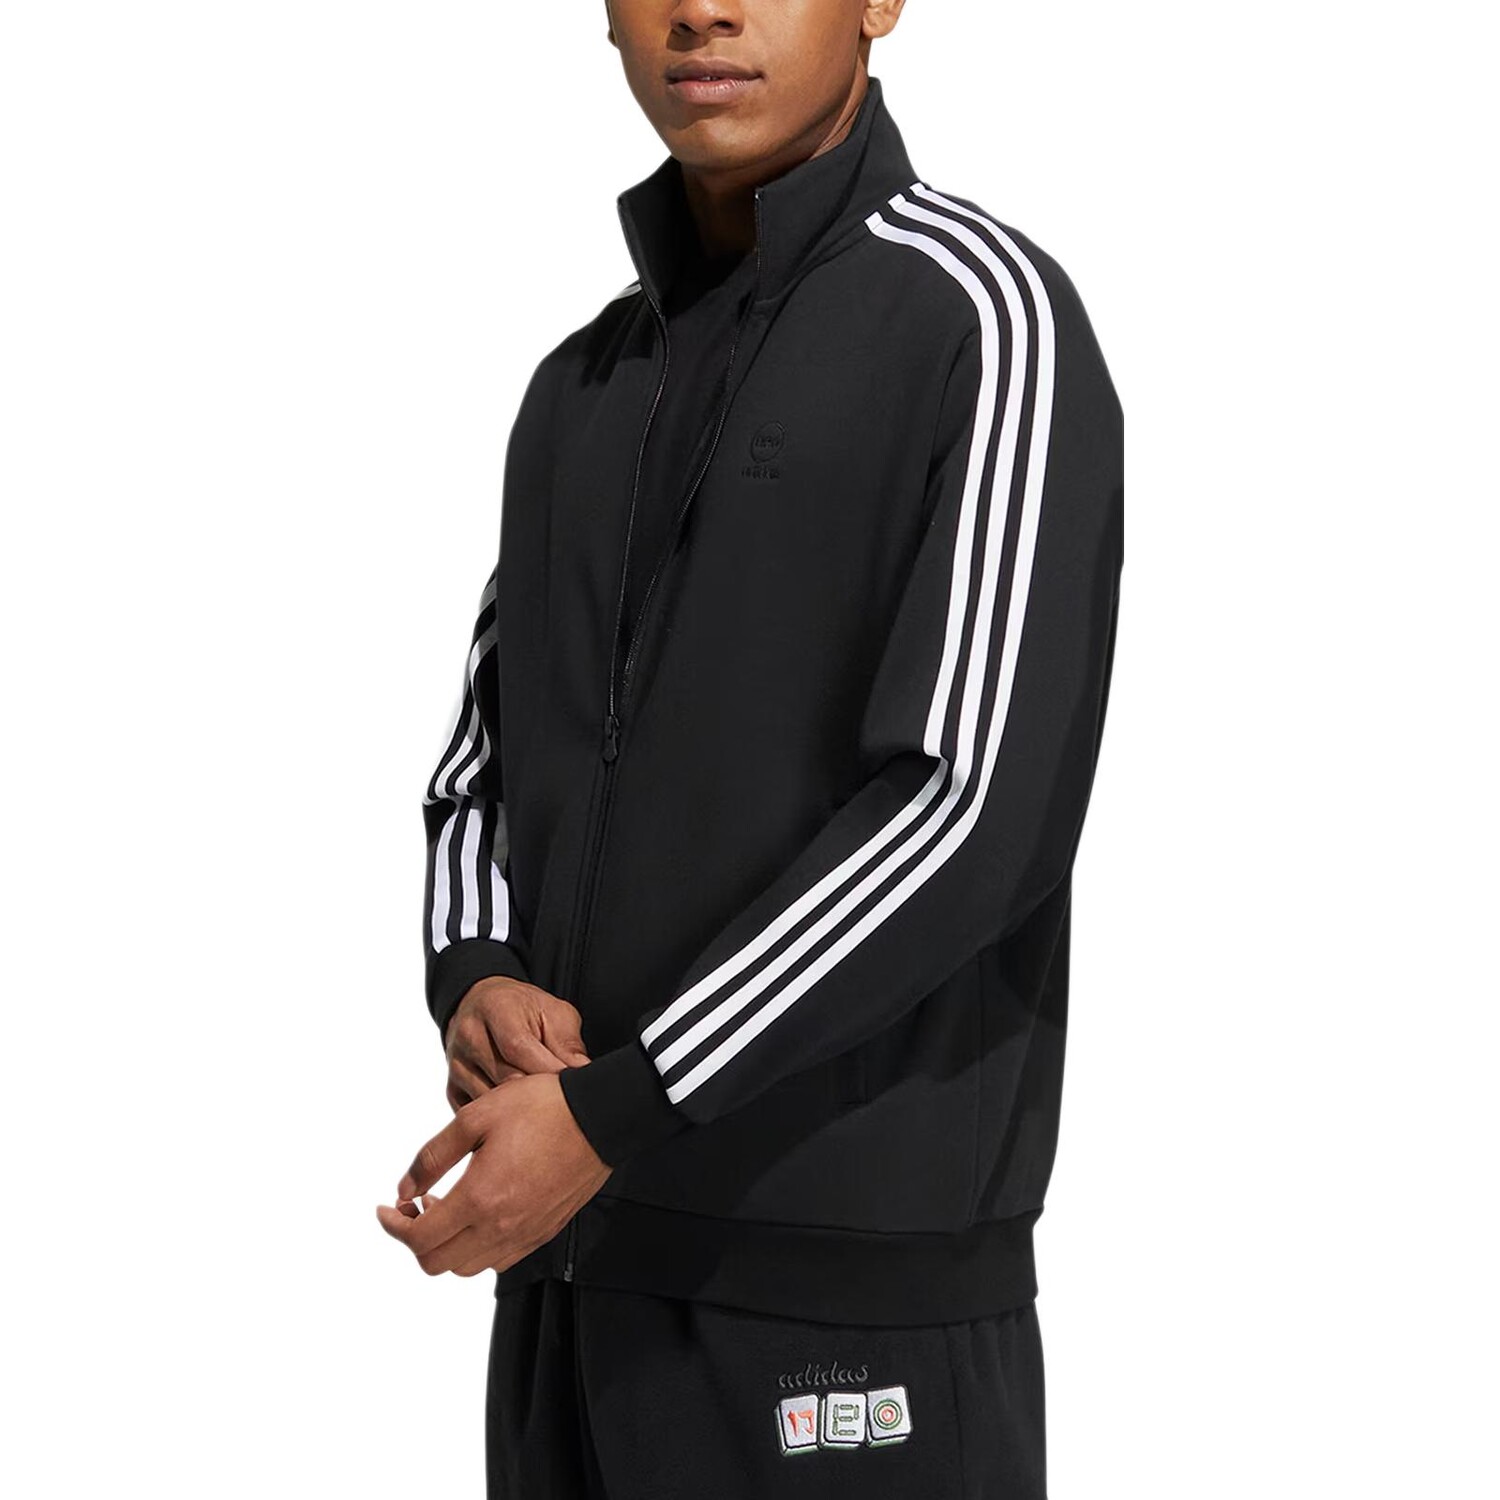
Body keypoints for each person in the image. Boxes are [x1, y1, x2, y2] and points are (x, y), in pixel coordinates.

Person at [376, 1, 1123, 1494]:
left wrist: (622, 1107)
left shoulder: (985, 320)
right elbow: (481, 762)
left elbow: (967, 811)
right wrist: (478, 975)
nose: (703, 8)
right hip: (570, 1295)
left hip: (849, 1324)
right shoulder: (582, 385)